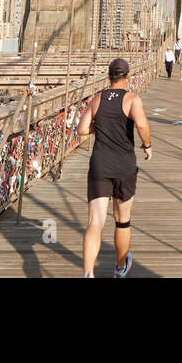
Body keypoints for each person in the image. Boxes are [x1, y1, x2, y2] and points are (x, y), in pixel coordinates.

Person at [78, 58, 152, 277]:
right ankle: (120, 267)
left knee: (95, 222)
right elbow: (141, 125)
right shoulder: (132, 99)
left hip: (100, 165)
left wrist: (100, 126)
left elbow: (81, 129)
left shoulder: (97, 99)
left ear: (108, 76)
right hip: (124, 167)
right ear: (128, 76)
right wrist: (147, 146)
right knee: (122, 221)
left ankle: (88, 272)